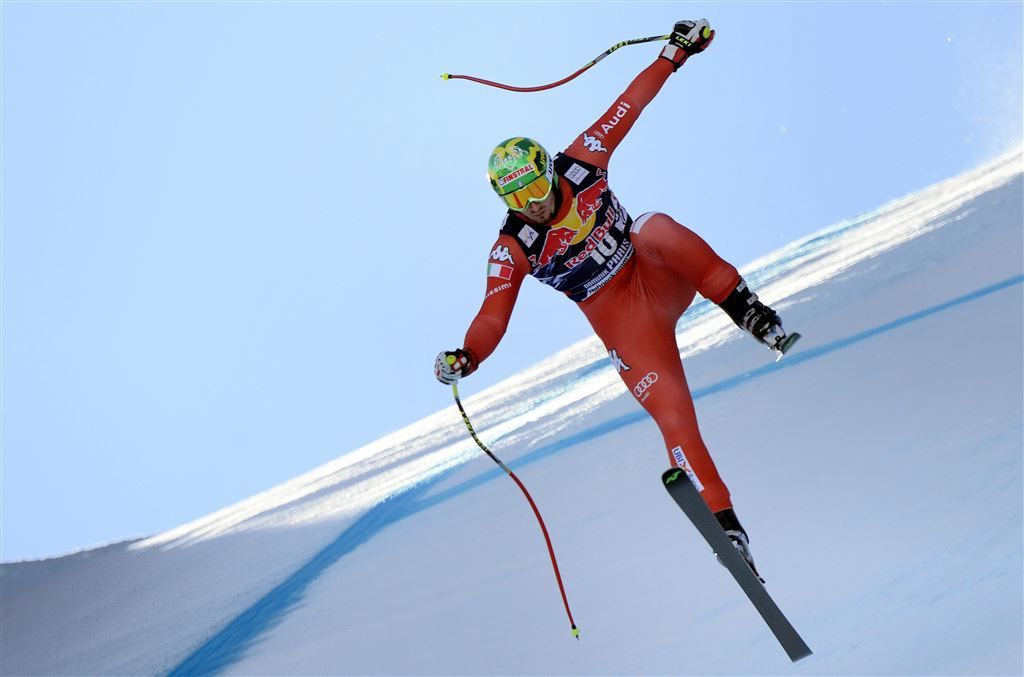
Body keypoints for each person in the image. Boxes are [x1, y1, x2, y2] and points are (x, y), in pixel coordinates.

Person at [434, 20, 798, 581]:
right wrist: (468, 355)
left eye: (533, 188)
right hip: (627, 327)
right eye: (514, 197)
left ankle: (750, 312)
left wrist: (675, 54)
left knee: (652, 225)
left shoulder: (583, 163)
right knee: (675, 419)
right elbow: (492, 315)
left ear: (548, 170)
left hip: (655, 273)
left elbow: (627, 105)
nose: (530, 205)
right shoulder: (512, 248)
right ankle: (728, 526)